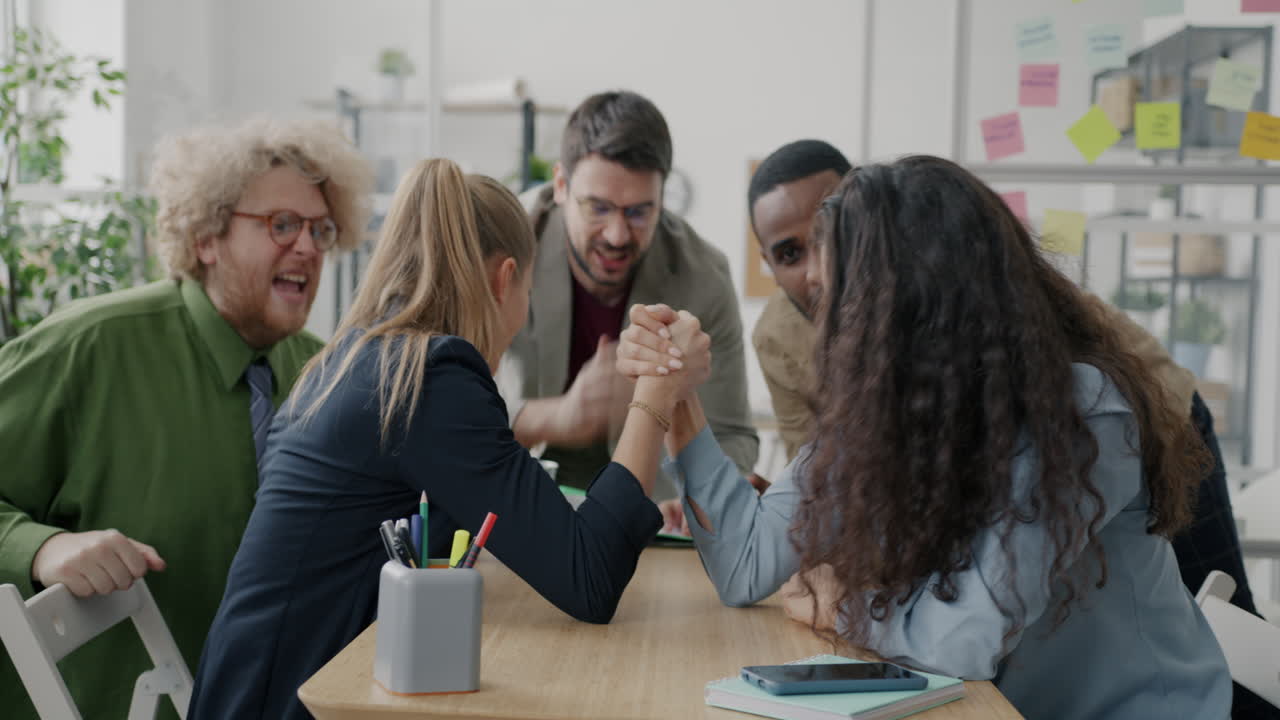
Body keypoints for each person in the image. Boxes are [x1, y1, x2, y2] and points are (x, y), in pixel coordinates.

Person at [620, 156, 1231, 720]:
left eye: (845, 301)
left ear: (914, 305)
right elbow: (747, 566)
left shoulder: (1082, 417)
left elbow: (962, 642)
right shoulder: (890, 406)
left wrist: (842, 607)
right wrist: (675, 395)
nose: (830, 323)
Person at [186, 159, 704, 720]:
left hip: (246, 687)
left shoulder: (353, 361)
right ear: (505, 280)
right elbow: (590, 578)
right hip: (287, 703)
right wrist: (656, 390)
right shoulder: (433, 379)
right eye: (527, 290)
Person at [746, 140, 1262, 625]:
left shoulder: (967, 285)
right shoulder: (778, 338)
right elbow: (826, 477)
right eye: (791, 253)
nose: (817, 267)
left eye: (827, 234)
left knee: (1218, 610)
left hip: (1154, 420)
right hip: (1041, 462)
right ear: (768, 264)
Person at [0, 118, 372, 719]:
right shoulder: (90, 347)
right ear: (206, 238)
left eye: (320, 229)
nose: (307, 247)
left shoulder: (321, 370)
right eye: (281, 224)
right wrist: (42, 548)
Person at [505, 90, 757, 494]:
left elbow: (734, 437)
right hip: (519, 505)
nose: (618, 235)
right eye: (598, 208)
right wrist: (552, 418)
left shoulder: (705, 276)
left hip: (648, 514)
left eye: (640, 211)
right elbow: (446, 420)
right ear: (561, 186)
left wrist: (696, 499)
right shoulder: (505, 246)